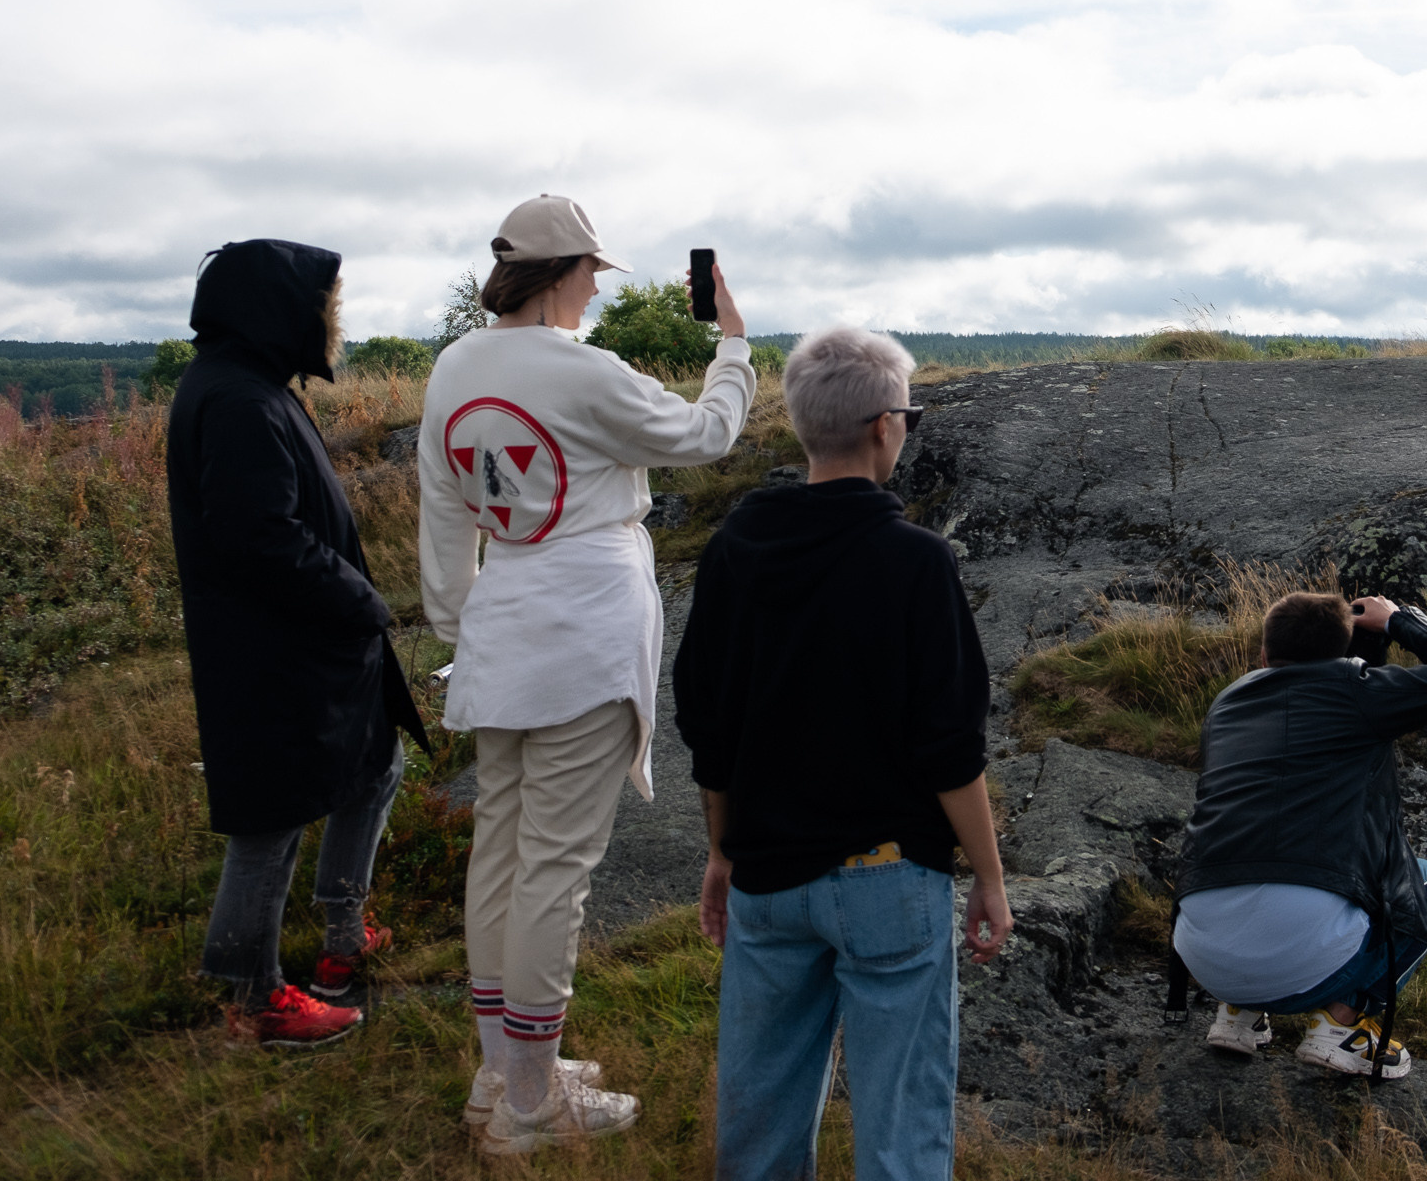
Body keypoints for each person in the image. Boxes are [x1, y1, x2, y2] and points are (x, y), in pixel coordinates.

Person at [418, 195, 759, 1155]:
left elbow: (443, 519)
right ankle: (531, 1104)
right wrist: (732, 346)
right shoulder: (582, 373)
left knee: (503, 854)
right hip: (583, 625)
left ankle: (505, 1073)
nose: (595, 289)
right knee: (555, 870)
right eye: (591, 274)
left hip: (504, 620)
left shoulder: (454, 370)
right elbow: (703, 438)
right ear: (566, 272)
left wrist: (463, 625)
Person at [674, 326, 1009, 1181]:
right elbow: (949, 746)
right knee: (900, 1119)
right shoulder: (915, 561)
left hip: (767, 875)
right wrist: (990, 877)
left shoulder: (733, 552)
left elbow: (707, 724)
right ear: (884, 426)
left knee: (760, 1109)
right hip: (890, 874)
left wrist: (721, 849)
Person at [166, 238, 431, 1048]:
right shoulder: (240, 401)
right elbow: (259, 539)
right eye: (326, 308)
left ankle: (343, 942)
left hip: (309, 647)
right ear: (275, 310)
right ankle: (253, 997)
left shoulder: (253, 386)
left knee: (372, 769)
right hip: (275, 654)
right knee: (273, 818)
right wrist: (357, 596)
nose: (335, 322)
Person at [1172, 591, 1427, 1079]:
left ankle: (1237, 1011)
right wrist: (1400, 622)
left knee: (1257, 844)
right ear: (1343, 656)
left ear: (1263, 655)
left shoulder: (1227, 705)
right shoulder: (1358, 692)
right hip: (1298, 955)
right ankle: (1338, 1028)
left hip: (1202, 951)